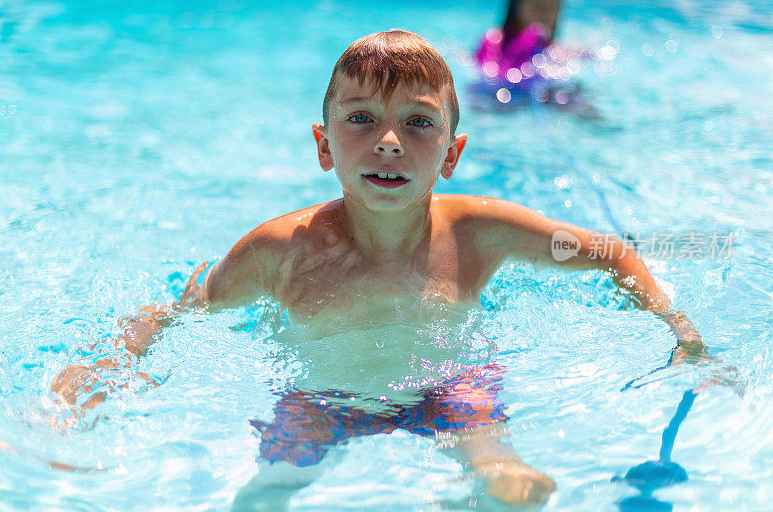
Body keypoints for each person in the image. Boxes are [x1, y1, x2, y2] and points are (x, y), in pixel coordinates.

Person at [51, 30, 707, 507]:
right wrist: (107, 369)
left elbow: (610, 253)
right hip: (321, 400)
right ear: (323, 143)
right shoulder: (281, 249)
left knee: (516, 488)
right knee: (261, 495)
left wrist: (680, 332)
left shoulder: (481, 232)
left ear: (451, 154)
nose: (389, 141)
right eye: (361, 119)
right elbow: (181, 305)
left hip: (449, 391)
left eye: (417, 123)